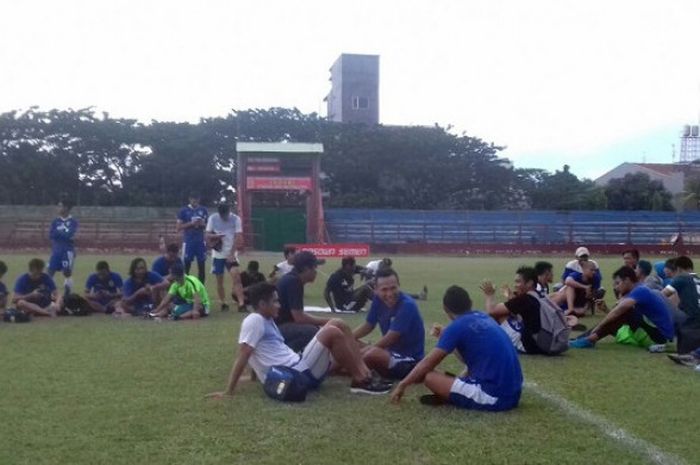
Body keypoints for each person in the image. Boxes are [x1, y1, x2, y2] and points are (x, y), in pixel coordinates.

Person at [206, 282, 392, 399]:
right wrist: (229, 391)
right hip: (295, 374)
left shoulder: (267, 320)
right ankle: (360, 380)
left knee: (337, 323)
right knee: (331, 332)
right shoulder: (254, 320)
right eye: (275, 301)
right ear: (262, 305)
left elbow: (258, 353)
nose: (279, 305)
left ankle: (365, 375)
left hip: (300, 367)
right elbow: (244, 353)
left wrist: (255, 377)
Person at [390, 285, 522, 412]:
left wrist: (403, 384)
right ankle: (454, 390)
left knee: (430, 377)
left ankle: (450, 396)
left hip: (496, 397)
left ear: (445, 309)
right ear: (470, 302)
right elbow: (471, 360)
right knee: (449, 375)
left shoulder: (457, 327)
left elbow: (428, 363)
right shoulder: (483, 317)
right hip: (513, 393)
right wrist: (445, 337)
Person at [570, 266, 675, 349]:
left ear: (627, 280)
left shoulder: (641, 290)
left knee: (625, 312)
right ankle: (584, 339)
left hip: (660, 340)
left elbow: (618, 312)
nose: (616, 287)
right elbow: (616, 315)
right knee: (619, 316)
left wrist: (598, 327)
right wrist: (607, 310)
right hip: (656, 334)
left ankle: (588, 339)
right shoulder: (639, 290)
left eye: (618, 283)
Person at [353, 268, 425, 379]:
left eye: (393, 288)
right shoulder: (378, 300)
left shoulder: (407, 305)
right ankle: (348, 366)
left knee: (371, 354)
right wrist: (348, 339)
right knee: (351, 344)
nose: (390, 294)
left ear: (399, 285)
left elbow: (390, 338)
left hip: (409, 360)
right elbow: (369, 325)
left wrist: (361, 353)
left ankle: (342, 368)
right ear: (376, 290)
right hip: (388, 353)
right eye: (384, 289)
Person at [481, 266, 558, 355]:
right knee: (509, 315)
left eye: (518, 282)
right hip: (546, 342)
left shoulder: (525, 299)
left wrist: (489, 295)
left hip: (531, 346)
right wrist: (511, 299)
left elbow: (492, 311)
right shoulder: (541, 294)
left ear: (529, 283)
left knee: (498, 315)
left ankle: (490, 342)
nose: (515, 285)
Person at [276, 251, 331, 352]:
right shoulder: (294, 282)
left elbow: (297, 314)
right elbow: (299, 318)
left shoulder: (292, 279)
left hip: (280, 326)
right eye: (314, 268)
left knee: (316, 329)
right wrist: (327, 321)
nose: (316, 271)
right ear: (306, 269)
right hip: (278, 328)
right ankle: (285, 357)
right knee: (312, 332)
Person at [206, 203, 245, 312]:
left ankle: (241, 304)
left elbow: (238, 236)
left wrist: (232, 253)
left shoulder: (236, 219)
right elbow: (207, 234)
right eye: (222, 215)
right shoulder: (213, 218)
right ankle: (223, 303)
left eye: (226, 214)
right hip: (218, 254)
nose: (224, 217)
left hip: (230, 253)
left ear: (229, 211)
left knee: (236, 277)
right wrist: (216, 236)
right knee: (219, 280)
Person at [661, 256, 700, 353]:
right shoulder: (697, 279)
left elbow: (661, 295)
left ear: (678, 269)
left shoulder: (682, 278)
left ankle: (668, 340)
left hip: (690, 319)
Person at [47, 200, 78, 295]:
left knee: (67, 272)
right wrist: (64, 234)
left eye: (60, 206)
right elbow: (51, 235)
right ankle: (50, 292)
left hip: (67, 250)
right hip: (56, 250)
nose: (58, 208)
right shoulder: (55, 221)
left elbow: (70, 235)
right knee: (49, 271)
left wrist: (59, 234)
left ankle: (67, 293)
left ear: (66, 208)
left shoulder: (73, 222)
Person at [176, 192, 208, 284]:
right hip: (188, 242)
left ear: (199, 199)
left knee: (201, 266)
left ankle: (201, 288)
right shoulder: (183, 210)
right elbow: (178, 227)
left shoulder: (203, 210)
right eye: (193, 198)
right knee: (186, 266)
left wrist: (202, 224)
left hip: (200, 242)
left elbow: (208, 226)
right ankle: (185, 286)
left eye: (197, 198)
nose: (195, 200)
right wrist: (191, 223)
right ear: (189, 199)